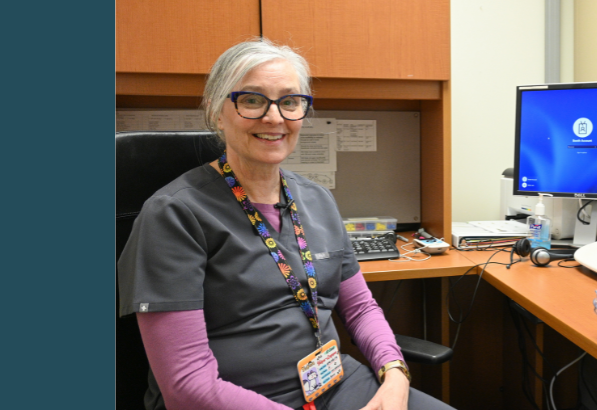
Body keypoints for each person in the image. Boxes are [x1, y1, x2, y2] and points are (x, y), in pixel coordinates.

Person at [117, 38, 454, 410]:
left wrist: (394, 376)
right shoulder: (174, 214)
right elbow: (186, 385)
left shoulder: (317, 199)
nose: (275, 117)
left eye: (290, 102)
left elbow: (359, 308)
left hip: (335, 387)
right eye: (252, 99)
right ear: (216, 111)